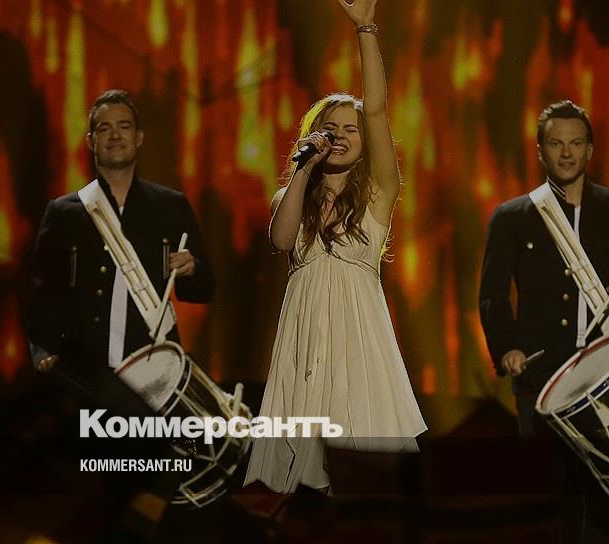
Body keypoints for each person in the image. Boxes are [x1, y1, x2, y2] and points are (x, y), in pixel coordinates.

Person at [244, 0, 427, 494]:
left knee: (359, 461)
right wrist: (303, 168)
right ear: (314, 137)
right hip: (303, 335)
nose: (342, 136)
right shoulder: (292, 196)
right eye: (331, 129)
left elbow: (378, 109)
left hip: (357, 338)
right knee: (298, 468)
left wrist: (366, 29)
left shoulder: (377, 194)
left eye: (351, 129)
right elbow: (281, 239)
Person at [478, 99, 609, 541]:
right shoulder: (512, 217)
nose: (566, 153)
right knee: (549, 499)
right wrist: (507, 348)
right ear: (541, 151)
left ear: (590, 149)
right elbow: (492, 296)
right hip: (541, 376)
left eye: (576, 143)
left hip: (608, 374)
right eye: (556, 144)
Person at [25, 89, 215, 374]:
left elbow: (203, 290)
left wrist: (192, 269)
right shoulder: (64, 212)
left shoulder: (170, 205)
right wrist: (44, 350)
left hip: (152, 366)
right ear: (91, 141)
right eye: (104, 128)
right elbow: (43, 295)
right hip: (83, 370)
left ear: (139, 137)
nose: (115, 135)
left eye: (124, 126)